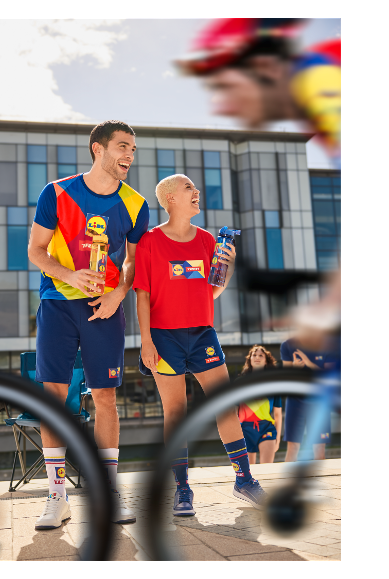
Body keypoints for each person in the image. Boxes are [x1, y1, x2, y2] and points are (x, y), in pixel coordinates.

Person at [27, 120, 150, 529]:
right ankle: (56, 497)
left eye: (133, 148)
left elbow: (133, 262)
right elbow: (36, 251)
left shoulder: (136, 204)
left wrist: (118, 294)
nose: (129, 155)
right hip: (57, 304)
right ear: (98, 148)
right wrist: (69, 275)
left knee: (106, 399)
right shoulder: (56, 192)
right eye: (122, 146)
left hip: (105, 309)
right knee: (54, 398)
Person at [134, 173, 268, 518]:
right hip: (164, 336)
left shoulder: (208, 240)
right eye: (189, 187)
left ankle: (244, 480)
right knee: (175, 413)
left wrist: (227, 266)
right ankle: (182, 489)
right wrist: (146, 342)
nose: (196, 192)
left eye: (194, 187)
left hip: (203, 334)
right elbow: (143, 295)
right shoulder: (150, 241)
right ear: (171, 198)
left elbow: (213, 290)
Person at [175, 17, 341, 167]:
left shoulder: (321, 85)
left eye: (225, 87)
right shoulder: (313, 100)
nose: (220, 109)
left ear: (267, 67)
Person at [279, 337, 338, 462]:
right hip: (295, 400)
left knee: (319, 450)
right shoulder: (288, 345)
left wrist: (309, 363)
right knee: (292, 448)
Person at [237, 345, 283, 465]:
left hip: (266, 428)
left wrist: (278, 439)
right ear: (250, 359)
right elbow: (234, 412)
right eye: (254, 355)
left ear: (266, 361)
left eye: (261, 355)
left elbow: (278, 415)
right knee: (248, 471)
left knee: (266, 469)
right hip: (245, 429)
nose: (257, 357)